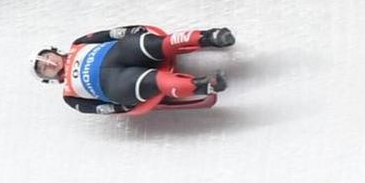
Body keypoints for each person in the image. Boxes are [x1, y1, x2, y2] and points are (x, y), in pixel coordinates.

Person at [33, 25, 234, 115]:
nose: (50, 64)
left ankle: (209, 37)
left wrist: (131, 31)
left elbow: (110, 33)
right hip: (115, 82)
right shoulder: (69, 96)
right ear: (48, 79)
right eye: (45, 68)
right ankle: (202, 85)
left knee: (159, 44)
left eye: (47, 58)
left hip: (120, 52)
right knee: (156, 81)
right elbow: (97, 109)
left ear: (54, 51)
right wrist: (120, 108)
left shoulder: (78, 43)